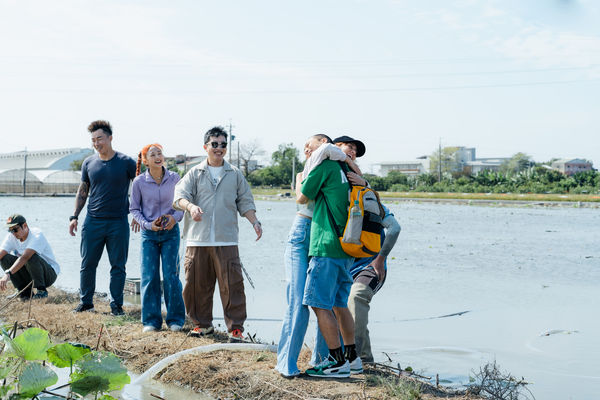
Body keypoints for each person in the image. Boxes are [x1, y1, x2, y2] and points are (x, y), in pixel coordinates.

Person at [275, 134, 362, 378]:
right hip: (317, 234)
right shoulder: (322, 166)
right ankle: (307, 361)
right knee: (313, 301)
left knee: (315, 301)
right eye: (349, 148)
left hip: (321, 236)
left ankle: (323, 361)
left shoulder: (334, 166)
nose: (308, 148)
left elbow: (302, 196)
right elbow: (302, 198)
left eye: (318, 143)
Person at [173, 126, 262, 340]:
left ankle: (236, 328)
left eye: (223, 145)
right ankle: (202, 324)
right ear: (206, 147)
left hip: (226, 239)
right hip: (198, 239)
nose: (219, 148)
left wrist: (255, 222)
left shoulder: (235, 174)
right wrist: (191, 207)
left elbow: (245, 202)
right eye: (215, 144)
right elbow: (178, 197)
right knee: (196, 285)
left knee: (232, 285)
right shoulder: (195, 172)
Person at [69, 120, 136, 315]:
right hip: (93, 221)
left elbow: (140, 188)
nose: (97, 143)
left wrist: (139, 214)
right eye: (93, 140)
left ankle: (116, 306)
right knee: (87, 263)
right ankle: (86, 303)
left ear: (110, 138)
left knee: (118, 266)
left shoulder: (126, 162)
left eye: (100, 138)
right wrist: (74, 216)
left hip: (118, 222)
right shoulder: (89, 163)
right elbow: (83, 191)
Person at [130, 144, 186, 332]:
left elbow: (181, 205)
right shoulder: (138, 182)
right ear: (145, 161)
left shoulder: (175, 178)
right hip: (149, 235)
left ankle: (175, 320)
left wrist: (174, 218)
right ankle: (151, 321)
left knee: (172, 276)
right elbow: (134, 209)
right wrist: (147, 224)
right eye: (152, 154)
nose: (157, 156)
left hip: (171, 233)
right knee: (150, 277)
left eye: (160, 153)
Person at [348, 204, 400, 362]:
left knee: (357, 297)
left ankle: (354, 357)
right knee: (347, 309)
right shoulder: (336, 198)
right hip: (345, 268)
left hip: (371, 267)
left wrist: (380, 259)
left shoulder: (372, 202)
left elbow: (395, 228)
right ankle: (365, 358)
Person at [0, 214, 60, 299]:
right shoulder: (11, 237)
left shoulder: (36, 235)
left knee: (30, 257)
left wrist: (8, 273)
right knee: (4, 258)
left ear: (24, 225)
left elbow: (25, 257)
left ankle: (41, 291)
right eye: (10, 230)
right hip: (29, 272)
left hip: (49, 274)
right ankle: (24, 292)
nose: (13, 233)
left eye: (15, 230)